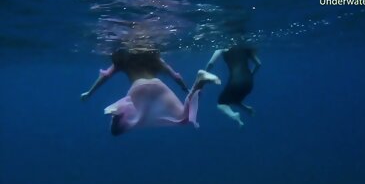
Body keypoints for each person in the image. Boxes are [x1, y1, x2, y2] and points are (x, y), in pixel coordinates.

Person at [81, 48, 221, 136]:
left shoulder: (124, 56)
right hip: (158, 87)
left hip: (138, 88)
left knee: (116, 131)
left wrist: (89, 92)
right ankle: (199, 81)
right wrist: (186, 89)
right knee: (184, 118)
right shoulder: (154, 57)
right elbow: (175, 76)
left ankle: (118, 114)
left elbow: (105, 75)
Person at [205, 44, 261, 127]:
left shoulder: (221, 47)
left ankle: (234, 115)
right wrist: (250, 76)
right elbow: (258, 64)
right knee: (233, 98)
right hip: (249, 82)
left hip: (236, 81)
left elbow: (210, 64)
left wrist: (205, 74)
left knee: (221, 104)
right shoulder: (244, 48)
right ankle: (247, 109)